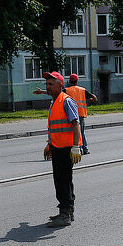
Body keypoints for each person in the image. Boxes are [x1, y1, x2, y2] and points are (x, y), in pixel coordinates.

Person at [41, 71, 82, 227]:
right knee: (61, 180)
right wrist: (50, 143)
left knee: (63, 181)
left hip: (66, 149)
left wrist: (76, 147)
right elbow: (55, 127)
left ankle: (65, 214)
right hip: (57, 147)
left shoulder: (66, 101)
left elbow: (75, 124)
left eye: (51, 84)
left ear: (60, 85)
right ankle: (67, 211)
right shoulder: (55, 101)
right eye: (47, 84)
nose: (48, 87)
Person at [64, 74, 98, 154]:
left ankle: (78, 149)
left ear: (69, 81)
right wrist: (91, 99)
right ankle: (85, 149)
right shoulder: (82, 90)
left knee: (74, 132)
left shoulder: (66, 90)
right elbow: (94, 98)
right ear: (77, 81)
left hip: (71, 114)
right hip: (81, 114)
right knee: (81, 132)